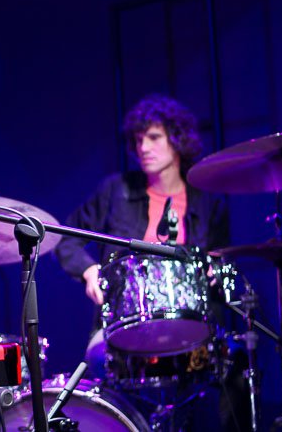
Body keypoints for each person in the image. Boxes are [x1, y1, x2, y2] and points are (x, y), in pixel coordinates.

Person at [53, 94, 249, 431]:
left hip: (191, 331)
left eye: (154, 137)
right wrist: (88, 270)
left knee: (236, 363)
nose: (143, 147)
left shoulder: (209, 203)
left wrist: (216, 273)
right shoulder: (115, 191)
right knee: (96, 375)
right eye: (138, 139)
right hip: (121, 330)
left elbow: (223, 264)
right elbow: (65, 238)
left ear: (178, 140)